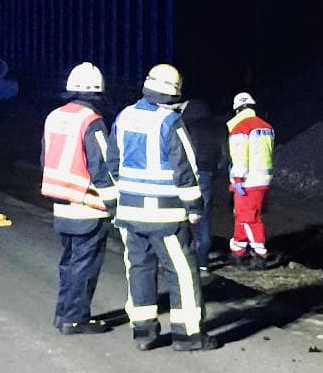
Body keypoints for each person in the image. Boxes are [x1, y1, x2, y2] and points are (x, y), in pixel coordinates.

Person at [107, 63, 218, 351]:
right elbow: (185, 168)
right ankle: (187, 335)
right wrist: (194, 205)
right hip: (165, 215)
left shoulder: (124, 116)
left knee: (138, 269)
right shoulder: (170, 122)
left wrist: (123, 197)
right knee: (182, 272)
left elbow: (112, 163)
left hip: (129, 212)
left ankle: (143, 333)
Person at [40, 62, 119, 335]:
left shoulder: (54, 116)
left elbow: (45, 158)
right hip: (88, 206)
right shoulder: (91, 121)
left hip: (61, 203)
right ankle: (75, 319)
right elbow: (102, 167)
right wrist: (115, 206)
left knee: (69, 263)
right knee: (84, 267)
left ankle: (63, 313)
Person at [226, 91, 276, 269]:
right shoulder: (267, 127)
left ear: (237, 110)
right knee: (242, 216)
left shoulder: (240, 128)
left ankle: (260, 255)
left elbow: (240, 157)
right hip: (263, 179)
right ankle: (238, 251)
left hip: (248, 180)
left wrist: (238, 179)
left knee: (248, 219)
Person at [179, 98, 226, 278]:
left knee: (181, 217)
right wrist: (214, 172)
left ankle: (182, 258)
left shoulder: (185, 126)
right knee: (203, 219)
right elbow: (224, 156)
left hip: (187, 175)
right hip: (207, 175)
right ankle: (203, 263)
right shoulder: (218, 127)